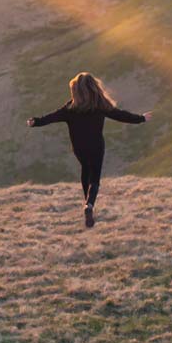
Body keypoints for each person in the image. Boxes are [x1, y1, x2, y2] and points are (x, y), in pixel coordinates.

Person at [26, 72, 150, 228]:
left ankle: (87, 204)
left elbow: (50, 117)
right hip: (96, 146)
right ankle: (89, 205)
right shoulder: (100, 106)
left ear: (75, 91)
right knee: (94, 177)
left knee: (85, 170)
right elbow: (121, 115)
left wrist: (35, 122)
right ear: (94, 88)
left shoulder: (70, 108)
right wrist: (141, 118)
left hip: (79, 148)